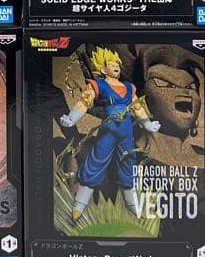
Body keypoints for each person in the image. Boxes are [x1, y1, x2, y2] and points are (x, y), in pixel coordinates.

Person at [59, 47, 160, 221]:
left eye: (117, 64)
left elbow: (137, 107)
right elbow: (84, 102)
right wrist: (71, 118)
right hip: (108, 131)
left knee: (128, 163)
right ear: (103, 69)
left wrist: (147, 123)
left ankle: (132, 206)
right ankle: (79, 205)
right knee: (96, 162)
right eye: (112, 64)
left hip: (126, 132)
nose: (116, 67)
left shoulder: (129, 87)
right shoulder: (99, 85)